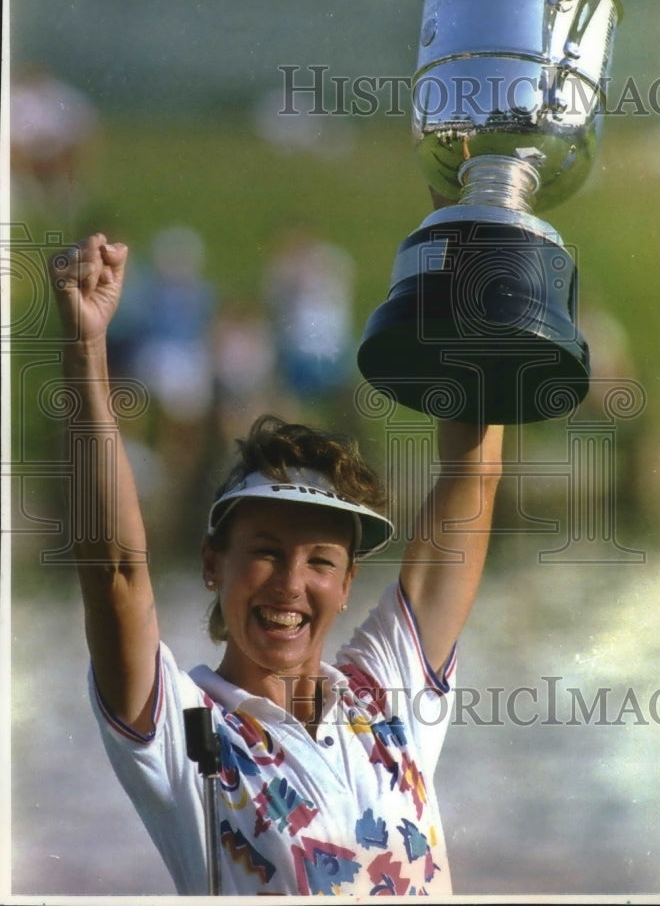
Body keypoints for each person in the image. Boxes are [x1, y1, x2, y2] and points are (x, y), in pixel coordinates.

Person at [49, 233, 503, 897]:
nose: (291, 583)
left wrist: (470, 239)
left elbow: (475, 478)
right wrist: (85, 351)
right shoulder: (184, 727)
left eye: (320, 560)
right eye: (265, 552)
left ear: (348, 583)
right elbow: (115, 568)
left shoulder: (386, 693)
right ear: (213, 564)